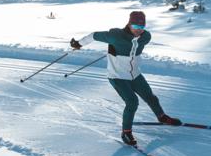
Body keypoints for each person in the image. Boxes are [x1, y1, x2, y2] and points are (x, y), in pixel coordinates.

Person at [71, 9, 180, 146]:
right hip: (117, 76)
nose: (138, 29)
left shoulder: (146, 37)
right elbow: (94, 35)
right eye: (135, 26)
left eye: (141, 26)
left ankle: (162, 117)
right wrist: (78, 44)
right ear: (129, 24)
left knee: (151, 97)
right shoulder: (115, 36)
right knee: (132, 102)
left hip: (135, 75)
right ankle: (126, 132)